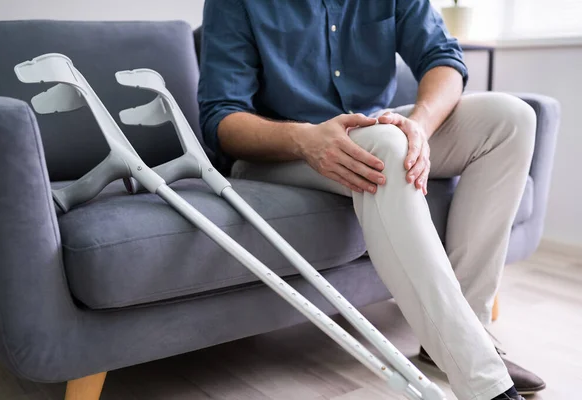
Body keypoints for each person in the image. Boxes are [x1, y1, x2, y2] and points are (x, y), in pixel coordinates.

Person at [198, 1, 546, 399]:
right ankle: (482, 381)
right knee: (384, 146)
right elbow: (220, 118)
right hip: (281, 150)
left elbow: (442, 56)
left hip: (374, 134)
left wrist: (419, 125)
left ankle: (465, 333)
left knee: (511, 117)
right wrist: (303, 139)